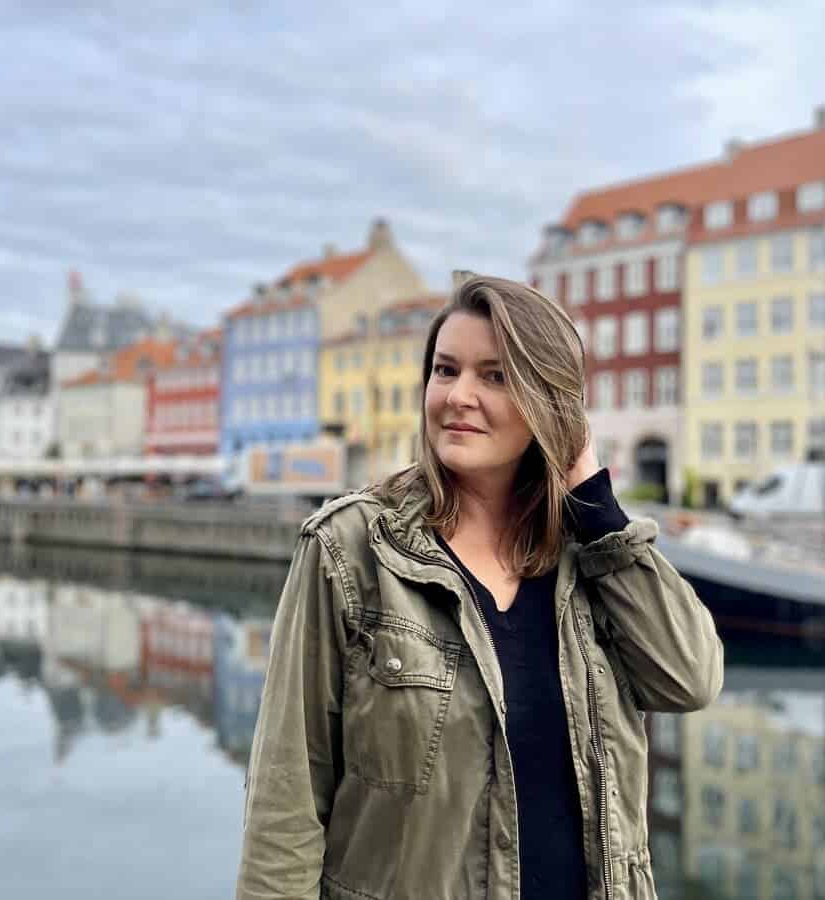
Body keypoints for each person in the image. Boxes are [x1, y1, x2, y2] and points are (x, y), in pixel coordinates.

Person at [236, 274, 724, 900]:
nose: (459, 396)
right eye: (445, 370)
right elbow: (288, 794)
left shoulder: (592, 556)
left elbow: (689, 677)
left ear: (551, 402)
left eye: (495, 376)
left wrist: (598, 510)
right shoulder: (352, 547)